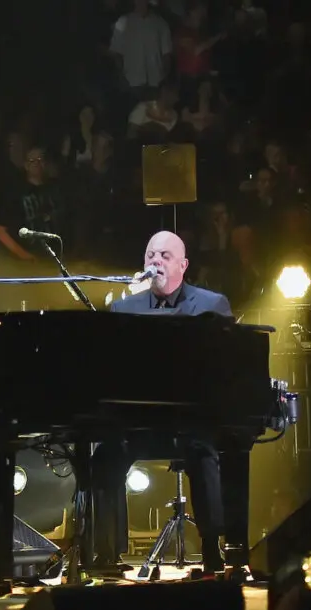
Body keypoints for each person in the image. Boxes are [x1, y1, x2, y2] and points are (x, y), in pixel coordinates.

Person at [93, 231, 232, 571]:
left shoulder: (212, 305)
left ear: (183, 265)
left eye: (164, 256)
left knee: (204, 451)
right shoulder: (123, 309)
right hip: (140, 424)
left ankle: (214, 548)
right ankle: (107, 552)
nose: (155, 261)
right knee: (103, 457)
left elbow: (228, 369)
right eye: (150, 255)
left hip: (191, 422)